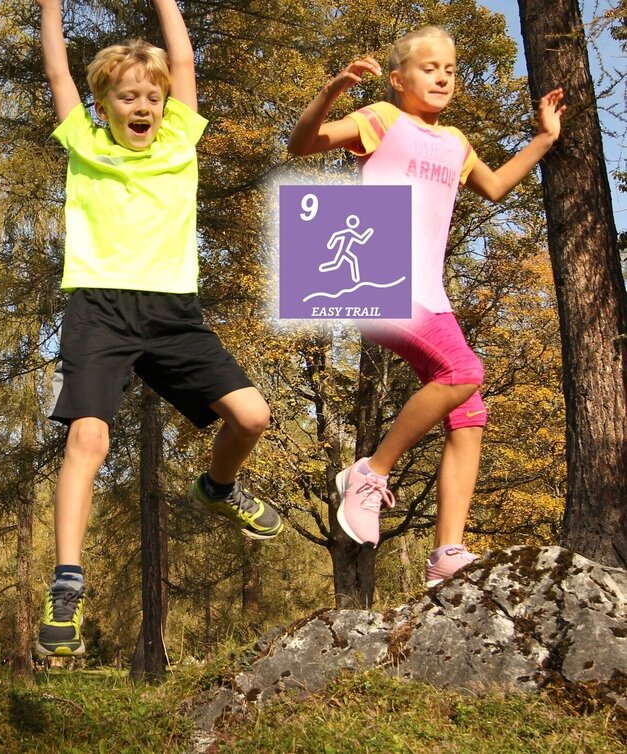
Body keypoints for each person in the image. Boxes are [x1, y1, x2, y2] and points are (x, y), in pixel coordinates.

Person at [34, 0, 283, 657]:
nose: (140, 104)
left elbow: (181, 60)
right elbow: (58, 73)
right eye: (126, 96)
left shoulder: (179, 139)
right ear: (105, 104)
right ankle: (66, 580)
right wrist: (49, 9)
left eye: (150, 96)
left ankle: (219, 487)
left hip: (173, 311)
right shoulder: (83, 145)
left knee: (252, 417)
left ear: (164, 104)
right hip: (99, 307)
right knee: (87, 438)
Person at [287, 26, 565, 586]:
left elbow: (494, 187)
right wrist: (332, 91)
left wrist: (544, 137)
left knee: (468, 412)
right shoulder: (382, 121)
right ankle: (369, 472)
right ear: (398, 80)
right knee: (464, 371)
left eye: (451, 70)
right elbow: (302, 144)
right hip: (377, 278)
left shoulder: (456, 141)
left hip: (429, 294)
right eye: (429, 67)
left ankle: (447, 556)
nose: (442, 76)